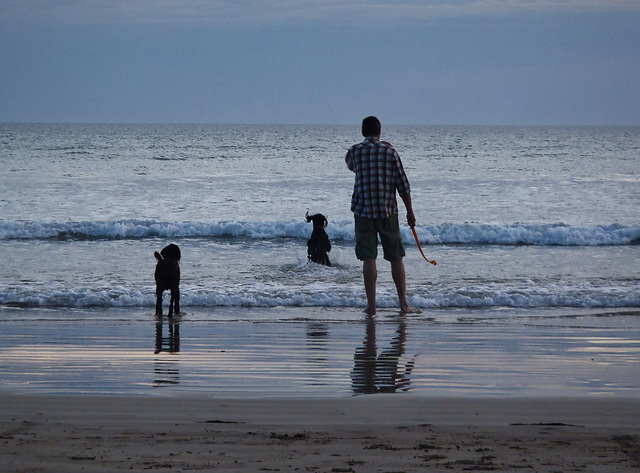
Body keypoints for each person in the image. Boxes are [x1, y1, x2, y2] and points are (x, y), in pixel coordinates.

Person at [345, 116, 417, 315]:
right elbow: (403, 186)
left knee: (369, 258)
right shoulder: (390, 152)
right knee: (396, 258)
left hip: (363, 211)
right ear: (380, 131)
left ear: (362, 132)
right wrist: (410, 212)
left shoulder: (354, 152)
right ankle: (403, 304)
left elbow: (350, 165)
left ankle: (371, 306)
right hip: (387, 211)